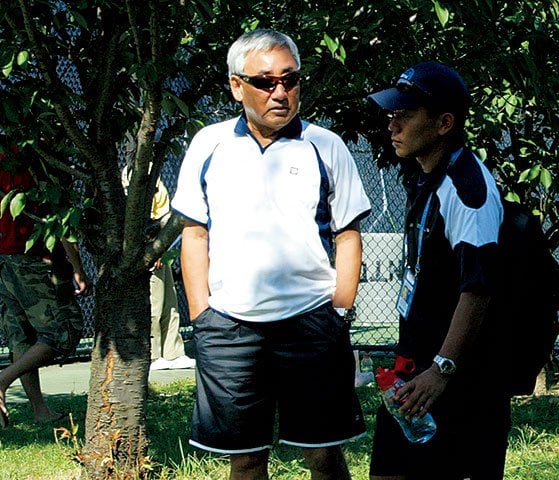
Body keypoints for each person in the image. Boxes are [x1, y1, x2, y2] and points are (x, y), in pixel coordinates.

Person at [171, 29, 371, 479]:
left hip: (312, 324)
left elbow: (348, 235)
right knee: (245, 461)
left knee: (323, 454)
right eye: (265, 82)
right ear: (236, 86)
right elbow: (195, 234)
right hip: (230, 329)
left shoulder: (327, 146)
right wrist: (203, 315)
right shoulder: (209, 144)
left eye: (290, 79)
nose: (280, 92)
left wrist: (339, 311)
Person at [367, 62, 511, 479]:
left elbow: (478, 289)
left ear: (444, 123)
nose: (392, 125)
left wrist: (441, 370)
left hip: (458, 384)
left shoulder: (468, 190)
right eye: (392, 115)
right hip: (414, 376)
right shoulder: (427, 175)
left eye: (405, 115)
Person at [0, 143, 90, 428]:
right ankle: (2, 381)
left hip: (5, 258)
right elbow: (59, 216)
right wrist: (77, 266)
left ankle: (40, 410)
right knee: (64, 329)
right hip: (33, 257)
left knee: (22, 337)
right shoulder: (41, 154)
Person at [122, 168, 195, 371]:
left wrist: (162, 247)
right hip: (146, 248)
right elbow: (134, 216)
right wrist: (150, 249)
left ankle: (173, 352)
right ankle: (152, 355)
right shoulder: (130, 171)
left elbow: (163, 213)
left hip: (161, 246)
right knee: (153, 303)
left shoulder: (155, 169)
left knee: (169, 302)